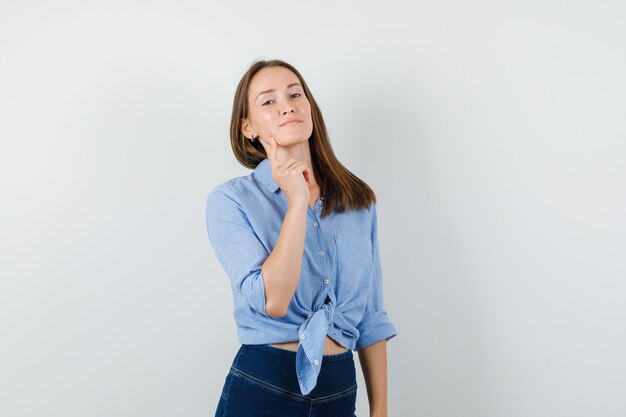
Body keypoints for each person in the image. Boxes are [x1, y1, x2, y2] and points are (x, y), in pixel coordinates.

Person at [204, 58, 398, 417]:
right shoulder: (231, 202)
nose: (287, 105)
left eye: (295, 94)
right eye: (268, 101)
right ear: (248, 128)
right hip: (262, 386)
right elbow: (274, 300)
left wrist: (380, 411)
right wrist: (296, 201)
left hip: (339, 391)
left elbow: (371, 317)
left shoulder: (358, 202)